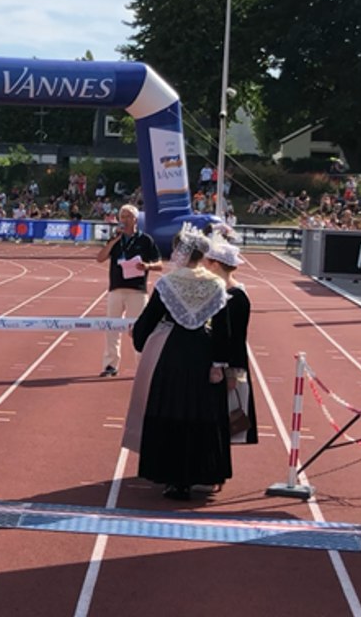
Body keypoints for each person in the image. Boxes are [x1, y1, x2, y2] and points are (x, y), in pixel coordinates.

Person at [124, 225, 232, 501]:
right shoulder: (216, 284)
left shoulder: (168, 283)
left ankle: (172, 477)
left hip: (171, 353)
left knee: (171, 408)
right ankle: (200, 472)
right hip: (202, 351)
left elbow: (149, 319)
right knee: (199, 411)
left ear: (183, 252)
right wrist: (219, 362)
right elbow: (223, 328)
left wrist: (138, 336)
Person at [95, 205, 162, 377]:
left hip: (137, 291)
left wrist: (147, 266)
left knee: (140, 329)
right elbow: (100, 258)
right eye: (121, 216)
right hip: (116, 289)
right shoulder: (115, 239)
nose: (123, 220)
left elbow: (159, 264)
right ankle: (110, 365)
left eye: (127, 216)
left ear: (135, 219)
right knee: (112, 328)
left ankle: (142, 365)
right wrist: (112, 243)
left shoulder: (145, 240)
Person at [205, 236, 257, 447]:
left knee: (224, 420)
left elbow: (235, 338)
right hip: (220, 363)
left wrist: (231, 373)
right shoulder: (224, 293)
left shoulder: (235, 297)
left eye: (207, 263)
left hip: (228, 366)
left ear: (216, 265)